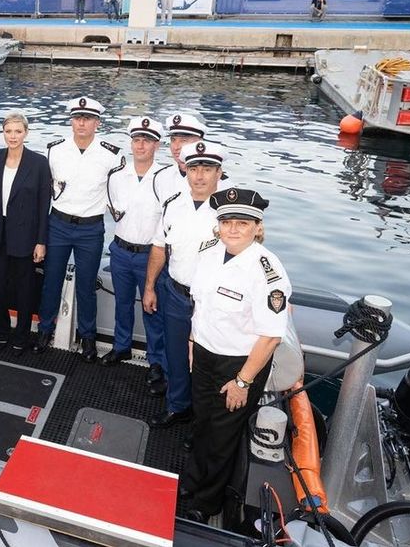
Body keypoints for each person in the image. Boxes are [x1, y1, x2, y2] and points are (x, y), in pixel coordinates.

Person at [181, 188, 289, 523]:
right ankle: (192, 481)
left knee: (223, 433)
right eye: (227, 221)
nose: (232, 229)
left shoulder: (267, 271)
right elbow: (201, 306)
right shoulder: (210, 252)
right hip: (204, 352)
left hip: (239, 364)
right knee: (201, 421)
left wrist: (242, 381)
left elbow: (270, 336)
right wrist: (191, 344)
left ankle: (207, 501)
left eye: (242, 223)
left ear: (258, 226)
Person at [34, 97, 124, 362]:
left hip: (90, 229)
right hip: (58, 224)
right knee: (51, 281)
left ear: (97, 123)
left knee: (86, 285)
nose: (82, 123)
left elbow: (117, 194)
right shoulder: (54, 150)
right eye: (77, 118)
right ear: (71, 120)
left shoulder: (112, 154)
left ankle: (88, 337)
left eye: (88, 119)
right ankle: (44, 330)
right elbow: (43, 192)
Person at [143, 141, 225, 428]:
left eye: (207, 169)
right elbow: (158, 248)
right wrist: (150, 287)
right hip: (176, 294)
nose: (199, 176)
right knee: (176, 356)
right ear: (186, 171)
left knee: (207, 364)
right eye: (194, 168)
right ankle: (178, 406)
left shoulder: (230, 211)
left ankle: (203, 421)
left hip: (213, 302)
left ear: (219, 172)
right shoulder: (173, 204)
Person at [0, 113, 51, 352]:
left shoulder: (39, 163)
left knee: (24, 289)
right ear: (3, 133)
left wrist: (41, 241)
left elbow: (44, 206)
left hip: (25, 236)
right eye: (8, 131)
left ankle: (22, 334)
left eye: (17, 131)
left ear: (26, 133)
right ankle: (1, 329)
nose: (13, 136)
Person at [102, 116, 166, 367]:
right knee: (123, 303)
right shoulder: (117, 176)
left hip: (151, 255)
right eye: (137, 140)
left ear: (157, 146)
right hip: (120, 250)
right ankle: (121, 347)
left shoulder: (166, 178)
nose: (141, 146)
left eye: (147, 141)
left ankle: (156, 362)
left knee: (153, 309)